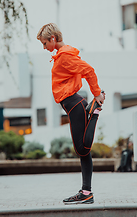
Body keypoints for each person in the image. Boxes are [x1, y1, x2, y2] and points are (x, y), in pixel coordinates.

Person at [37, 23, 105, 204]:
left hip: (75, 104)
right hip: (74, 104)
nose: (44, 48)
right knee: (84, 153)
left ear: (53, 39)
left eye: (44, 43)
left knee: (82, 148)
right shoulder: (62, 56)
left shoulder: (65, 57)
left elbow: (88, 70)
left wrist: (97, 94)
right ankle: (86, 193)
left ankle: (95, 111)